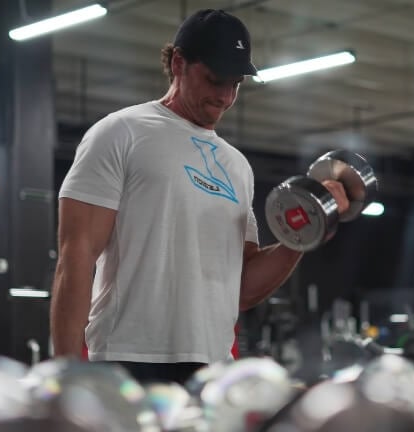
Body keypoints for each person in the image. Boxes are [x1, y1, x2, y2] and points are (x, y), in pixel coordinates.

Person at [50, 9, 349, 384]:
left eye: (235, 84)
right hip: (127, 356)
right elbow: (76, 257)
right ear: (179, 63)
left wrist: (304, 233)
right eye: (214, 80)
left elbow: (241, 289)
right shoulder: (120, 133)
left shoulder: (236, 166)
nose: (225, 96)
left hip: (212, 367)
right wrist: (65, 375)